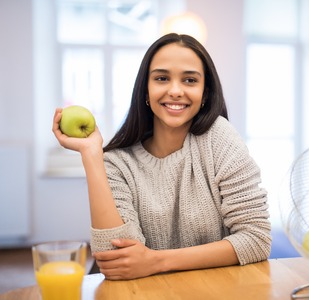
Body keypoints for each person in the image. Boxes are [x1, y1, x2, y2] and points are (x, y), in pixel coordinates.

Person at [52, 33, 271, 280]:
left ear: (205, 93)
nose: (175, 90)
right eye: (162, 78)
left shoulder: (219, 137)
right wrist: (92, 155)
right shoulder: (118, 162)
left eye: (189, 80)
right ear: (146, 89)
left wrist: (156, 261)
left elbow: (256, 238)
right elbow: (117, 260)